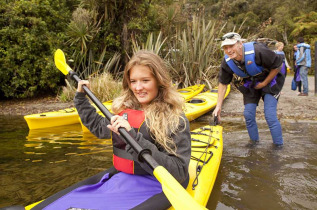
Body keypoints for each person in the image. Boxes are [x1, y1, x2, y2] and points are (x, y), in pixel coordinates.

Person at [32, 50, 191, 210]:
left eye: (145, 80)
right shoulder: (125, 111)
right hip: (123, 178)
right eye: (133, 81)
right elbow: (99, 128)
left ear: (159, 80)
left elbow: (178, 171)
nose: (138, 87)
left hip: (156, 184)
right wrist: (81, 99)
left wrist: (134, 138)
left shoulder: (174, 118)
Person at [213, 32, 285, 148]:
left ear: (240, 44)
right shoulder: (227, 61)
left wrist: (264, 83)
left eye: (231, 46)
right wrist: (218, 106)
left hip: (270, 81)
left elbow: (278, 65)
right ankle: (254, 144)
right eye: (225, 48)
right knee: (248, 114)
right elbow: (223, 83)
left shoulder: (258, 50)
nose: (229, 50)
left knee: (270, 115)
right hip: (252, 84)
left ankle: (278, 147)